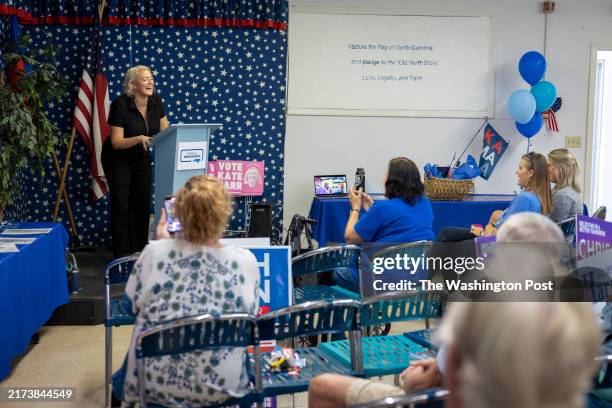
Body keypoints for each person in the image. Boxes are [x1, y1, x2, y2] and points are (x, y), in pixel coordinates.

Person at [308, 213, 599, 408]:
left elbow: (441, 382)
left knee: (322, 386)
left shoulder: (482, 306)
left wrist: (427, 374)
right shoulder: (579, 316)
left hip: (439, 397)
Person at [111, 175, 260, 407]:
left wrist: (161, 244)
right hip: (226, 390)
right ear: (225, 212)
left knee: (135, 348)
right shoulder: (246, 262)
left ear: (179, 212)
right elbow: (251, 315)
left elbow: (130, 308)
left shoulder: (153, 254)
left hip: (154, 391)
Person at [337, 157, 434, 292]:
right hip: (415, 279)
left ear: (392, 181)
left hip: (379, 281)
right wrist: (371, 208)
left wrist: (356, 208)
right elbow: (395, 225)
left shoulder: (382, 209)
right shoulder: (425, 203)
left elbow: (350, 238)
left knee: (338, 270)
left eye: (386, 174)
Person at [103, 65, 170, 257]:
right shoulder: (120, 105)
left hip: (141, 157)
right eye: (145, 79)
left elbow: (166, 130)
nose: (150, 82)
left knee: (141, 204)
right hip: (118, 160)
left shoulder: (156, 101)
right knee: (122, 205)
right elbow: (116, 142)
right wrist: (138, 138)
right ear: (133, 84)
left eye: (151, 78)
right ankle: (122, 254)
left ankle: (141, 251)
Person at [473, 151, 552, 236]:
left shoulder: (526, 198)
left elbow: (502, 233)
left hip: (504, 246)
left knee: (460, 236)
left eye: (520, 168)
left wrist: (489, 226)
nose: (517, 172)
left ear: (530, 173)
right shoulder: (541, 196)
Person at [548, 148, 584, 222]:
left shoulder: (562, 195)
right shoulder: (569, 190)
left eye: (549, 165)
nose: (546, 169)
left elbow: (553, 228)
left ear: (560, 168)